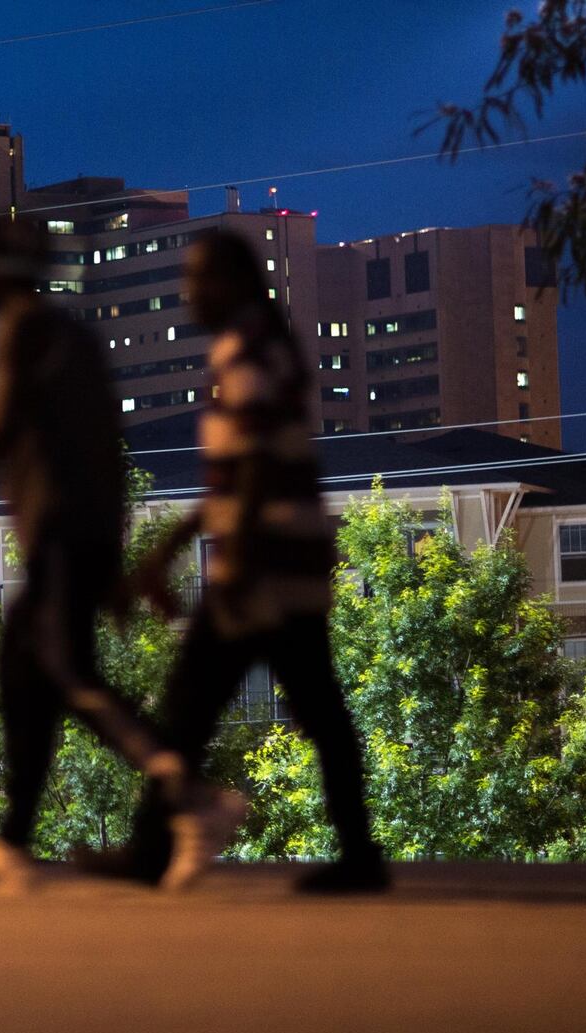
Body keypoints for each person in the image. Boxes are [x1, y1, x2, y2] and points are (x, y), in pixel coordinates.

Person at [0, 217, 243, 893]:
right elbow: (108, 447)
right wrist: (110, 553)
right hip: (80, 538)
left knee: (69, 680)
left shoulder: (28, 330)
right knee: (29, 680)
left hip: (62, 540)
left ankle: (192, 798)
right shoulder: (70, 336)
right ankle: (15, 840)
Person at [127, 230, 387, 893]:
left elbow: (255, 471)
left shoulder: (247, 350)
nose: (190, 293)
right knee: (310, 709)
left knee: (190, 704)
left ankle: (149, 849)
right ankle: (358, 854)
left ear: (235, 282)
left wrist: (234, 563)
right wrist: (171, 549)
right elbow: (234, 472)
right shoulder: (256, 345)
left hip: (264, 560)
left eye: (201, 278)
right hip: (285, 556)